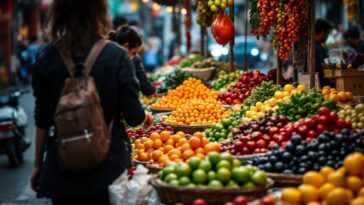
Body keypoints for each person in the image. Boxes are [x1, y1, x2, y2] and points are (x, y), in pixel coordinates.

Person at [30, 1, 153, 204]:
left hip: (62, 167)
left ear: (59, 13)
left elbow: (42, 119)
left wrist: (37, 164)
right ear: (100, 13)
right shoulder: (117, 55)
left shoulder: (46, 55)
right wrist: (145, 116)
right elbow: (133, 117)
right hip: (108, 170)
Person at [109, 26, 156, 96]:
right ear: (126, 46)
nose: (134, 56)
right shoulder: (120, 65)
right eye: (134, 52)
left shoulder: (108, 55)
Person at [315, 19, 333, 87]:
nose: (327, 36)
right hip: (322, 86)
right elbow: (323, 69)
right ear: (323, 32)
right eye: (327, 33)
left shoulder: (311, 46)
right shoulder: (318, 48)